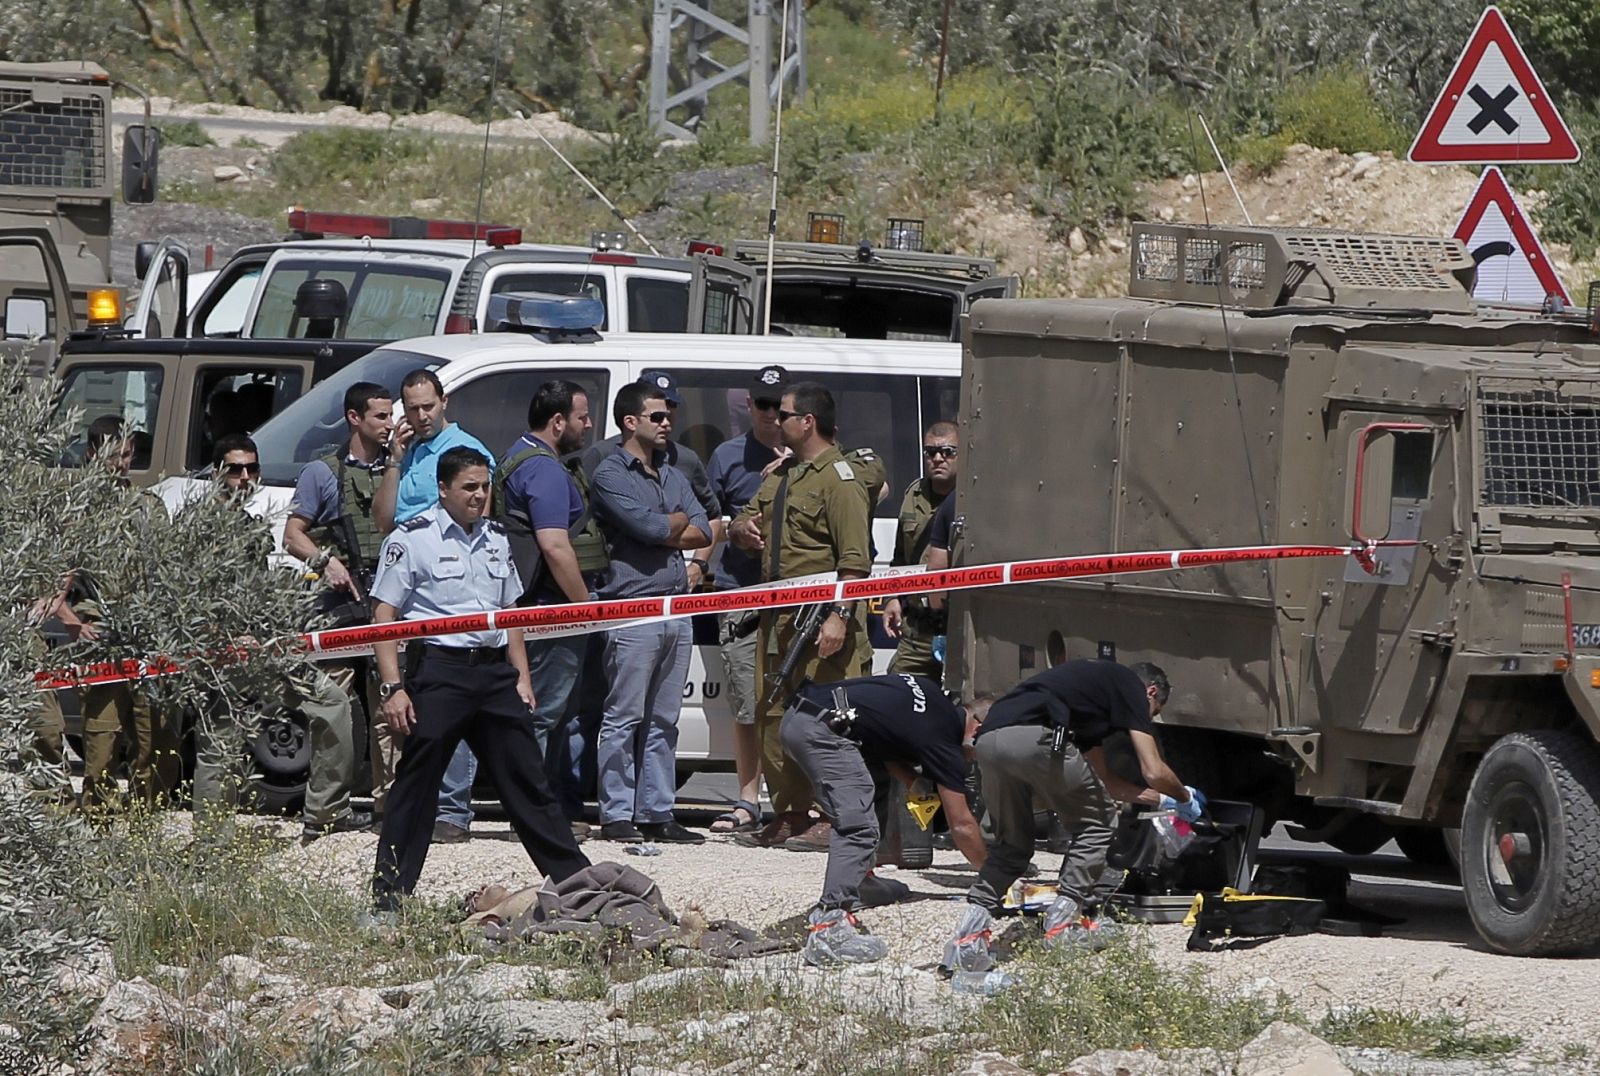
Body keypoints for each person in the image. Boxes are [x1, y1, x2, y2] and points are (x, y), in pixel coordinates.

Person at [368, 445, 590, 913]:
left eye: (484, 486)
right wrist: (393, 688)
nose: (479, 495)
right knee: (416, 787)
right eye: (468, 486)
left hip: (493, 674)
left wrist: (521, 677)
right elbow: (383, 617)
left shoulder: (494, 537)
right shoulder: (411, 539)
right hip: (441, 672)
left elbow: (508, 613)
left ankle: (580, 886)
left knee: (529, 782)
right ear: (444, 489)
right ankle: (388, 901)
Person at [941, 660, 1206, 972]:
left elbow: (1106, 783)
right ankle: (1062, 928)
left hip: (988, 742)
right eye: (1155, 710)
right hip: (1038, 739)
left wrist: (1164, 800)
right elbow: (1153, 769)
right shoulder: (1131, 687)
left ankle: (967, 940)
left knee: (1011, 846)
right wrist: (1185, 796)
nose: (1150, 718)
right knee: (1098, 824)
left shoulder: (1087, 696)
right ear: (1151, 692)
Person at [194, 434, 370, 843]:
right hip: (223, 650)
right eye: (235, 469)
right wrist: (225, 635)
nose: (245, 478)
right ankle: (211, 842)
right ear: (218, 472)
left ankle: (326, 811)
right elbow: (193, 597)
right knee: (219, 740)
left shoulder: (248, 525)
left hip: (265, 647)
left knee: (332, 703)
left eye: (252, 469)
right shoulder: (202, 527)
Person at [728, 381, 876, 853]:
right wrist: (741, 530)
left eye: (785, 414)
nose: (776, 420)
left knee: (827, 719)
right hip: (778, 619)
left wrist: (838, 616)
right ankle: (791, 813)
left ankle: (835, 816)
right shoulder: (782, 474)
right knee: (774, 715)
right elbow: (741, 519)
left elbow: (855, 561)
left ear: (808, 422)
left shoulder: (840, 479)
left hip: (822, 622)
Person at [780, 673, 989, 965]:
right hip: (823, 730)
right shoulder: (944, 737)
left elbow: (879, 728)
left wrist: (911, 780)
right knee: (858, 828)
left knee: (874, 782)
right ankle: (830, 926)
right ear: (977, 727)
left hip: (801, 714)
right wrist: (994, 878)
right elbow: (962, 825)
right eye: (984, 749)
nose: (979, 759)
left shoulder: (930, 695)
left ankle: (862, 882)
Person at [373, 369, 496, 844]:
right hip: (408, 582)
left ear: (445, 402)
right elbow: (386, 520)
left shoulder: (465, 451)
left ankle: (452, 810)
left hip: (447, 587)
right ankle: (423, 801)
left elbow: (477, 524)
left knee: (453, 697)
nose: (421, 416)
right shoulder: (411, 451)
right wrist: (395, 462)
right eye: (413, 408)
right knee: (419, 697)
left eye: (429, 406)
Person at [589, 383, 712, 843]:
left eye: (668, 416)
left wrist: (668, 529)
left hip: (676, 607)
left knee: (665, 717)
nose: (667, 423)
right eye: (657, 416)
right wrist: (668, 525)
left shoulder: (673, 471)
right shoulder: (610, 474)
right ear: (630, 422)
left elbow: (702, 529)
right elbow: (647, 525)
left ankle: (657, 810)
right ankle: (617, 813)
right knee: (624, 716)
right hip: (631, 608)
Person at [492, 379, 607, 835]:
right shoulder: (543, 470)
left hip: (536, 607)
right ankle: (535, 815)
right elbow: (555, 547)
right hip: (551, 613)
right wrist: (586, 609)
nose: (589, 424)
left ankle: (541, 808)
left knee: (546, 713)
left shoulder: (518, 456)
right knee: (543, 713)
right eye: (582, 416)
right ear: (558, 422)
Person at [282, 382, 398, 817]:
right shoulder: (324, 471)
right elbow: (293, 534)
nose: (389, 425)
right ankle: (327, 812)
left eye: (390, 416)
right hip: (338, 607)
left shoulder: (398, 467)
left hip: (386, 602)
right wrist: (326, 561)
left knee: (390, 706)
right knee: (332, 711)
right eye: (380, 417)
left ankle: (391, 807)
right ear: (355, 418)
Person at [66, 416, 180, 812]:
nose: (122, 464)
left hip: (146, 639)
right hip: (102, 642)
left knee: (156, 739)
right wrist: (77, 624)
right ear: (93, 453)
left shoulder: (149, 506)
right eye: (115, 455)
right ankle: (98, 821)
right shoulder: (76, 511)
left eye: (128, 454)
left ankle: (145, 822)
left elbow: (167, 570)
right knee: (100, 740)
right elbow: (56, 579)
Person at [704, 363, 789, 834]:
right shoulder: (728, 456)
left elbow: (875, 486)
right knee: (745, 700)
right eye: (762, 404)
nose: (771, 414)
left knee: (793, 700)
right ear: (749, 406)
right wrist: (733, 531)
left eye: (780, 406)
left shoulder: (811, 455)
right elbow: (711, 521)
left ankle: (795, 801)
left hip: (796, 592)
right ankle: (747, 799)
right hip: (741, 591)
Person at [883, 422, 959, 680]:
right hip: (916, 632)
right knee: (898, 694)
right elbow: (900, 557)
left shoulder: (970, 500)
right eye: (931, 452)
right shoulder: (913, 495)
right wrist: (892, 597)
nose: (938, 458)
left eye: (948, 451)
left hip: (957, 628)